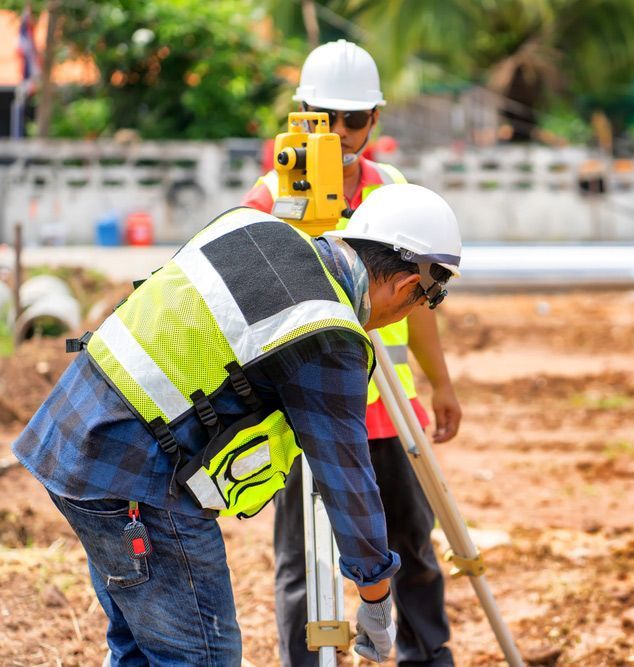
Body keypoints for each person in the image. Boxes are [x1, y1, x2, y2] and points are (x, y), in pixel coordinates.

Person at [12, 184, 462, 666]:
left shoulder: (251, 225)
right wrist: (375, 595)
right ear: (407, 285)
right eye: (426, 300)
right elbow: (346, 476)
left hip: (70, 438)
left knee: (140, 650)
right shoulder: (328, 332)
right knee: (204, 656)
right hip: (136, 480)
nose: (415, 311)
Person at [243, 40, 460, 666]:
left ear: (375, 121)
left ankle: (426, 656)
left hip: (389, 414)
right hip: (303, 416)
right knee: (303, 564)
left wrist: (441, 384)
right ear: (300, 115)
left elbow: (419, 303)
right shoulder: (270, 199)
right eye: (323, 117)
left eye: (354, 119)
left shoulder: (394, 193)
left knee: (412, 548)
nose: (339, 134)